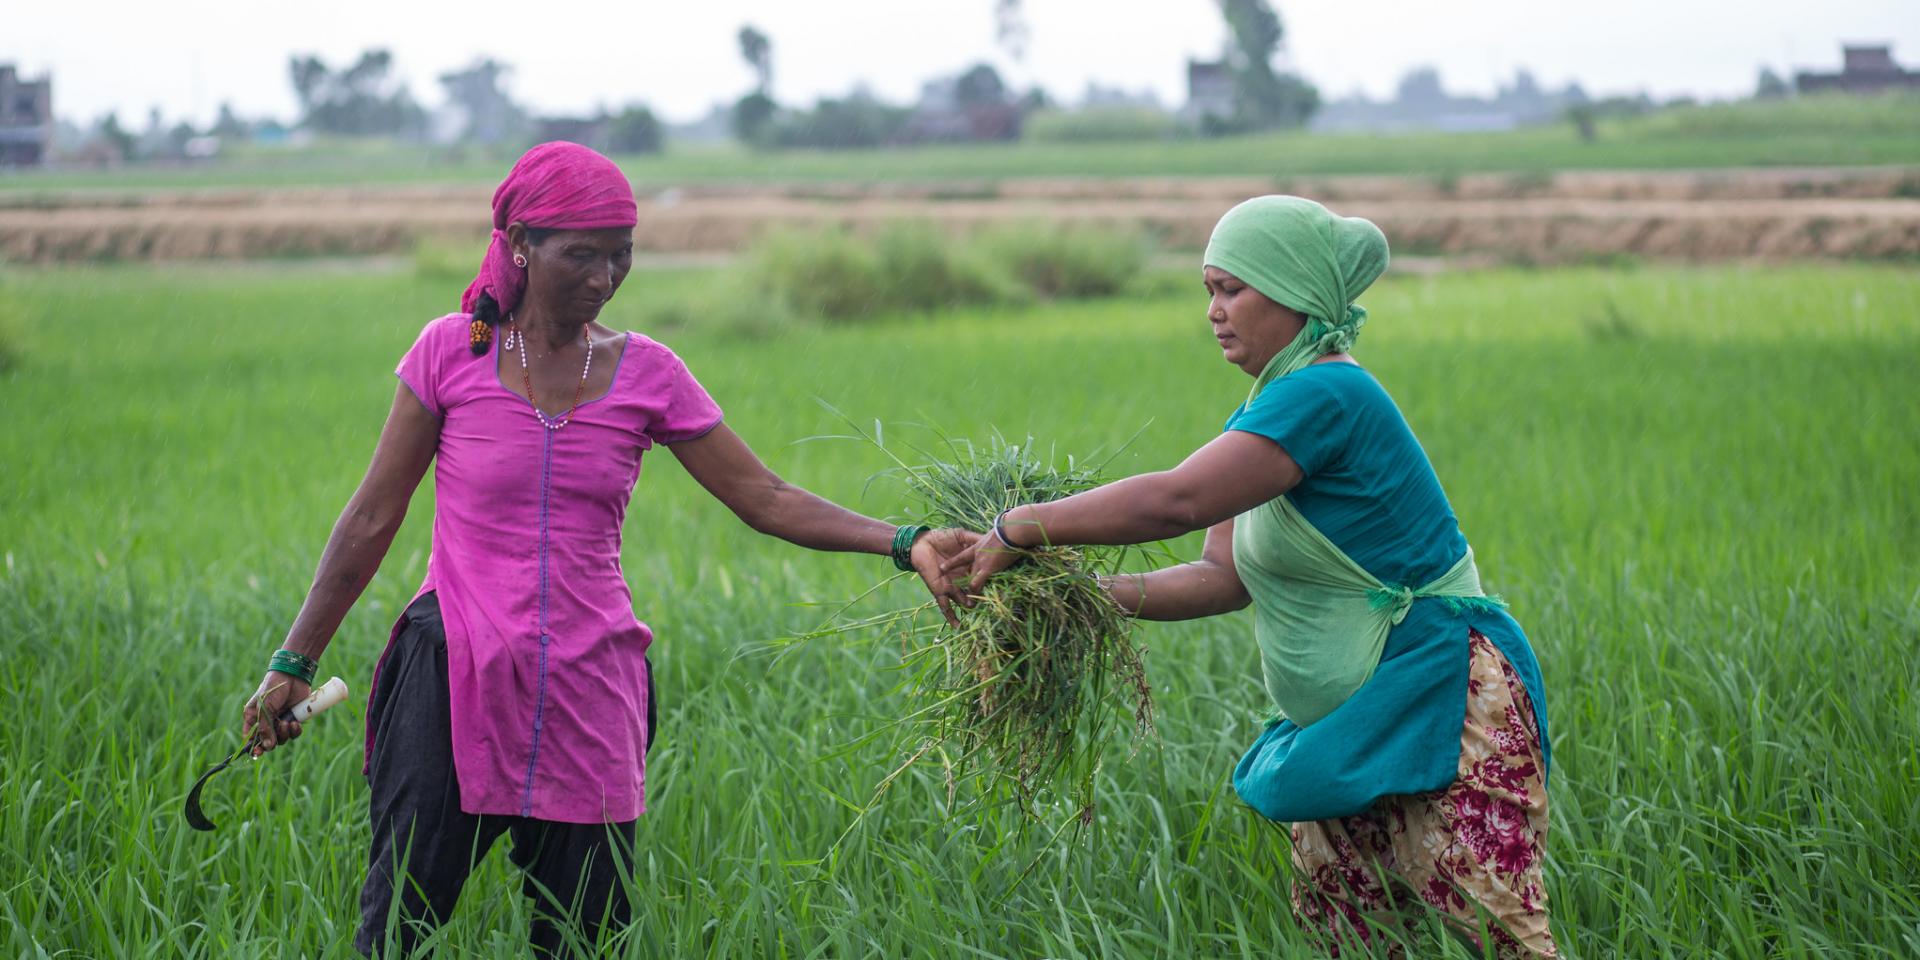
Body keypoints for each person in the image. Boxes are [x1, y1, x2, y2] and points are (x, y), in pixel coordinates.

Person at [240, 141, 973, 957]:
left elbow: (763, 497)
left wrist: (904, 543)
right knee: (397, 931)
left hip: (591, 684)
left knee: (588, 940)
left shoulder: (649, 372)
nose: (604, 275)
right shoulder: (452, 352)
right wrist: (293, 660)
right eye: (580, 254)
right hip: (454, 677)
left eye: (621, 253)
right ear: (520, 244)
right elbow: (372, 518)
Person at [948, 196, 1557, 957]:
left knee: (1493, 929)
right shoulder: (1271, 406)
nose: (1213, 311)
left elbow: (1178, 500)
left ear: (1296, 291)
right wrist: (1076, 600)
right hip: (1352, 726)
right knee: (1352, 933)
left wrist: (1021, 524)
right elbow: (1218, 576)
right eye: (1207, 290)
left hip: (1441, 699)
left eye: (1231, 288)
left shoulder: (1328, 395)